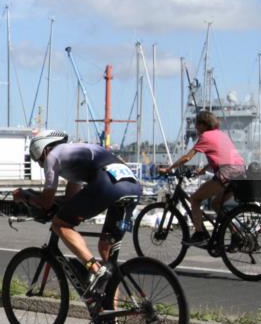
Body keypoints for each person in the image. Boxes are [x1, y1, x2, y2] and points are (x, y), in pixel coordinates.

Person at [14, 130, 141, 299]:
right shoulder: (75, 154)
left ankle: (94, 269)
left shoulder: (52, 157)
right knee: (106, 253)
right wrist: (54, 201)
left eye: (37, 159)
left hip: (108, 185)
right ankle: (111, 317)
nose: (39, 164)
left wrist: (25, 196)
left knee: (60, 224)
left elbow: (45, 202)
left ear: (42, 149)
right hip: (132, 187)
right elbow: (70, 199)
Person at [158, 110, 245, 246]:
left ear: (204, 124)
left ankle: (200, 234)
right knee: (216, 204)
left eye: (197, 124)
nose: (196, 127)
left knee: (195, 199)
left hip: (227, 172)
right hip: (240, 172)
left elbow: (187, 157)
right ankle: (236, 234)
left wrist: (169, 169)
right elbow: (220, 156)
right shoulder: (221, 134)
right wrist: (202, 170)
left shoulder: (205, 137)